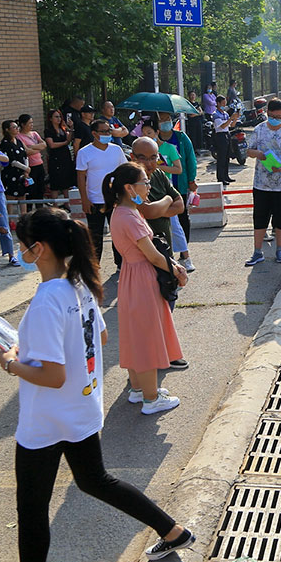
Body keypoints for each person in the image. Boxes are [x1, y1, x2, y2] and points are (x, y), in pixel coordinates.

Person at [0, 207, 194, 562]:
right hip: (80, 410)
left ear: (39, 248)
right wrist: (28, 349)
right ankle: (173, 531)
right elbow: (96, 341)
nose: (22, 253)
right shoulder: (79, 284)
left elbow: (52, 375)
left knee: (32, 510)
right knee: (95, 480)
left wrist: (12, 362)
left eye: (23, 247)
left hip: (46, 420)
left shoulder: (48, 299)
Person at [104, 163, 188, 411]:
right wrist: (177, 271)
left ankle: (139, 389)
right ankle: (151, 398)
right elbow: (151, 255)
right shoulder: (130, 216)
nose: (148, 186)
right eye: (145, 182)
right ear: (130, 188)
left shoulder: (120, 212)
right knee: (148, 335)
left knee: (135, 333)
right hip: (142, 276)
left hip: (132, 275)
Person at [139, 119, 193, 272]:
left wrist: (165, 202)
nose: (149, 162)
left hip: (167, 188)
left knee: (175, 227)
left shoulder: (162, 166)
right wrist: (167, 203)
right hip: (145, 256)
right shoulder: (132, 180)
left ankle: (185, 257)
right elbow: (148, 211)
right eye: (144, 158)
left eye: (153, 158)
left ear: (157, 133)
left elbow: (179, 204)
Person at [75, 119, 127, 269]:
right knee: (95, 236)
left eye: (108, 131)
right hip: (94, 200)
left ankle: (121, 263)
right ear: (94, 133)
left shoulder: (116, 149)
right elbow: (81, 176)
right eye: (103, 131)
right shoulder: (85, 152)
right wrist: (84, 199)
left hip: (115, 200)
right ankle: (94, 266)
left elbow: (123, 171)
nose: (107, 134)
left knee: (118, 233)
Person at [245, 99, 281, 267]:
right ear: (267, 113)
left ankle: (280, 249)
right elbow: (249, 151)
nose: (274, 119)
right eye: (271, 116)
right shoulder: (259, 129)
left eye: (278, 116)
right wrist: (258, 153)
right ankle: (257, 252)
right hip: (261, 183)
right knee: (260, 217)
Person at [157, 112, 198, 246]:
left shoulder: (181, 137)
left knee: (181, 215)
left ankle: (184, 247)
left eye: (167, 119)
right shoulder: (153, 140)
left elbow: (191, 160)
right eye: (162, 120)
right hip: (159, 186)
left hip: (179, 183)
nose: (165, 122)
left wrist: (191, 180)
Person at [16, 115, 47, 201]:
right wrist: (38, 148)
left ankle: (40, 207)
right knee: (31, 189)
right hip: (30, 166)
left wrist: (32, 146)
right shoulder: (19, 136)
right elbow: (27, 151)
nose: (32, 125)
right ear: (23, 124)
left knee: (40, 188)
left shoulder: (34, 134)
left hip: (39, 164)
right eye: (30, 123)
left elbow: (44, 145)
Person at [44, 110, 74, 201]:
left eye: (59, 117)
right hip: (55, 157)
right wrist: (64, 143)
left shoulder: (63, 129)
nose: (59, 119)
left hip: (65, 156)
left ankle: (66, 202)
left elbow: (69, 139)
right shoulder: (48, 131)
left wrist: (71, 127)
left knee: (66, 180)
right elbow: (51, 145)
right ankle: (55, 204)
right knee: (55, 182)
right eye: (56, 117)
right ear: (50, 119)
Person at [212, 94, 233, 185]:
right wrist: (231, 119)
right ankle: (220, 177)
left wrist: (235, 118)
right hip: (220, 136)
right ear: (218, 103)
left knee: (227, 157)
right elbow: (222, 126)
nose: (224, 105)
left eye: (225, 103)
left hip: (227, 134)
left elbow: (231, 125)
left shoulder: (225, 114)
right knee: (221, 158)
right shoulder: (215, 114)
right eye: (223, 103)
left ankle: (226, 176)